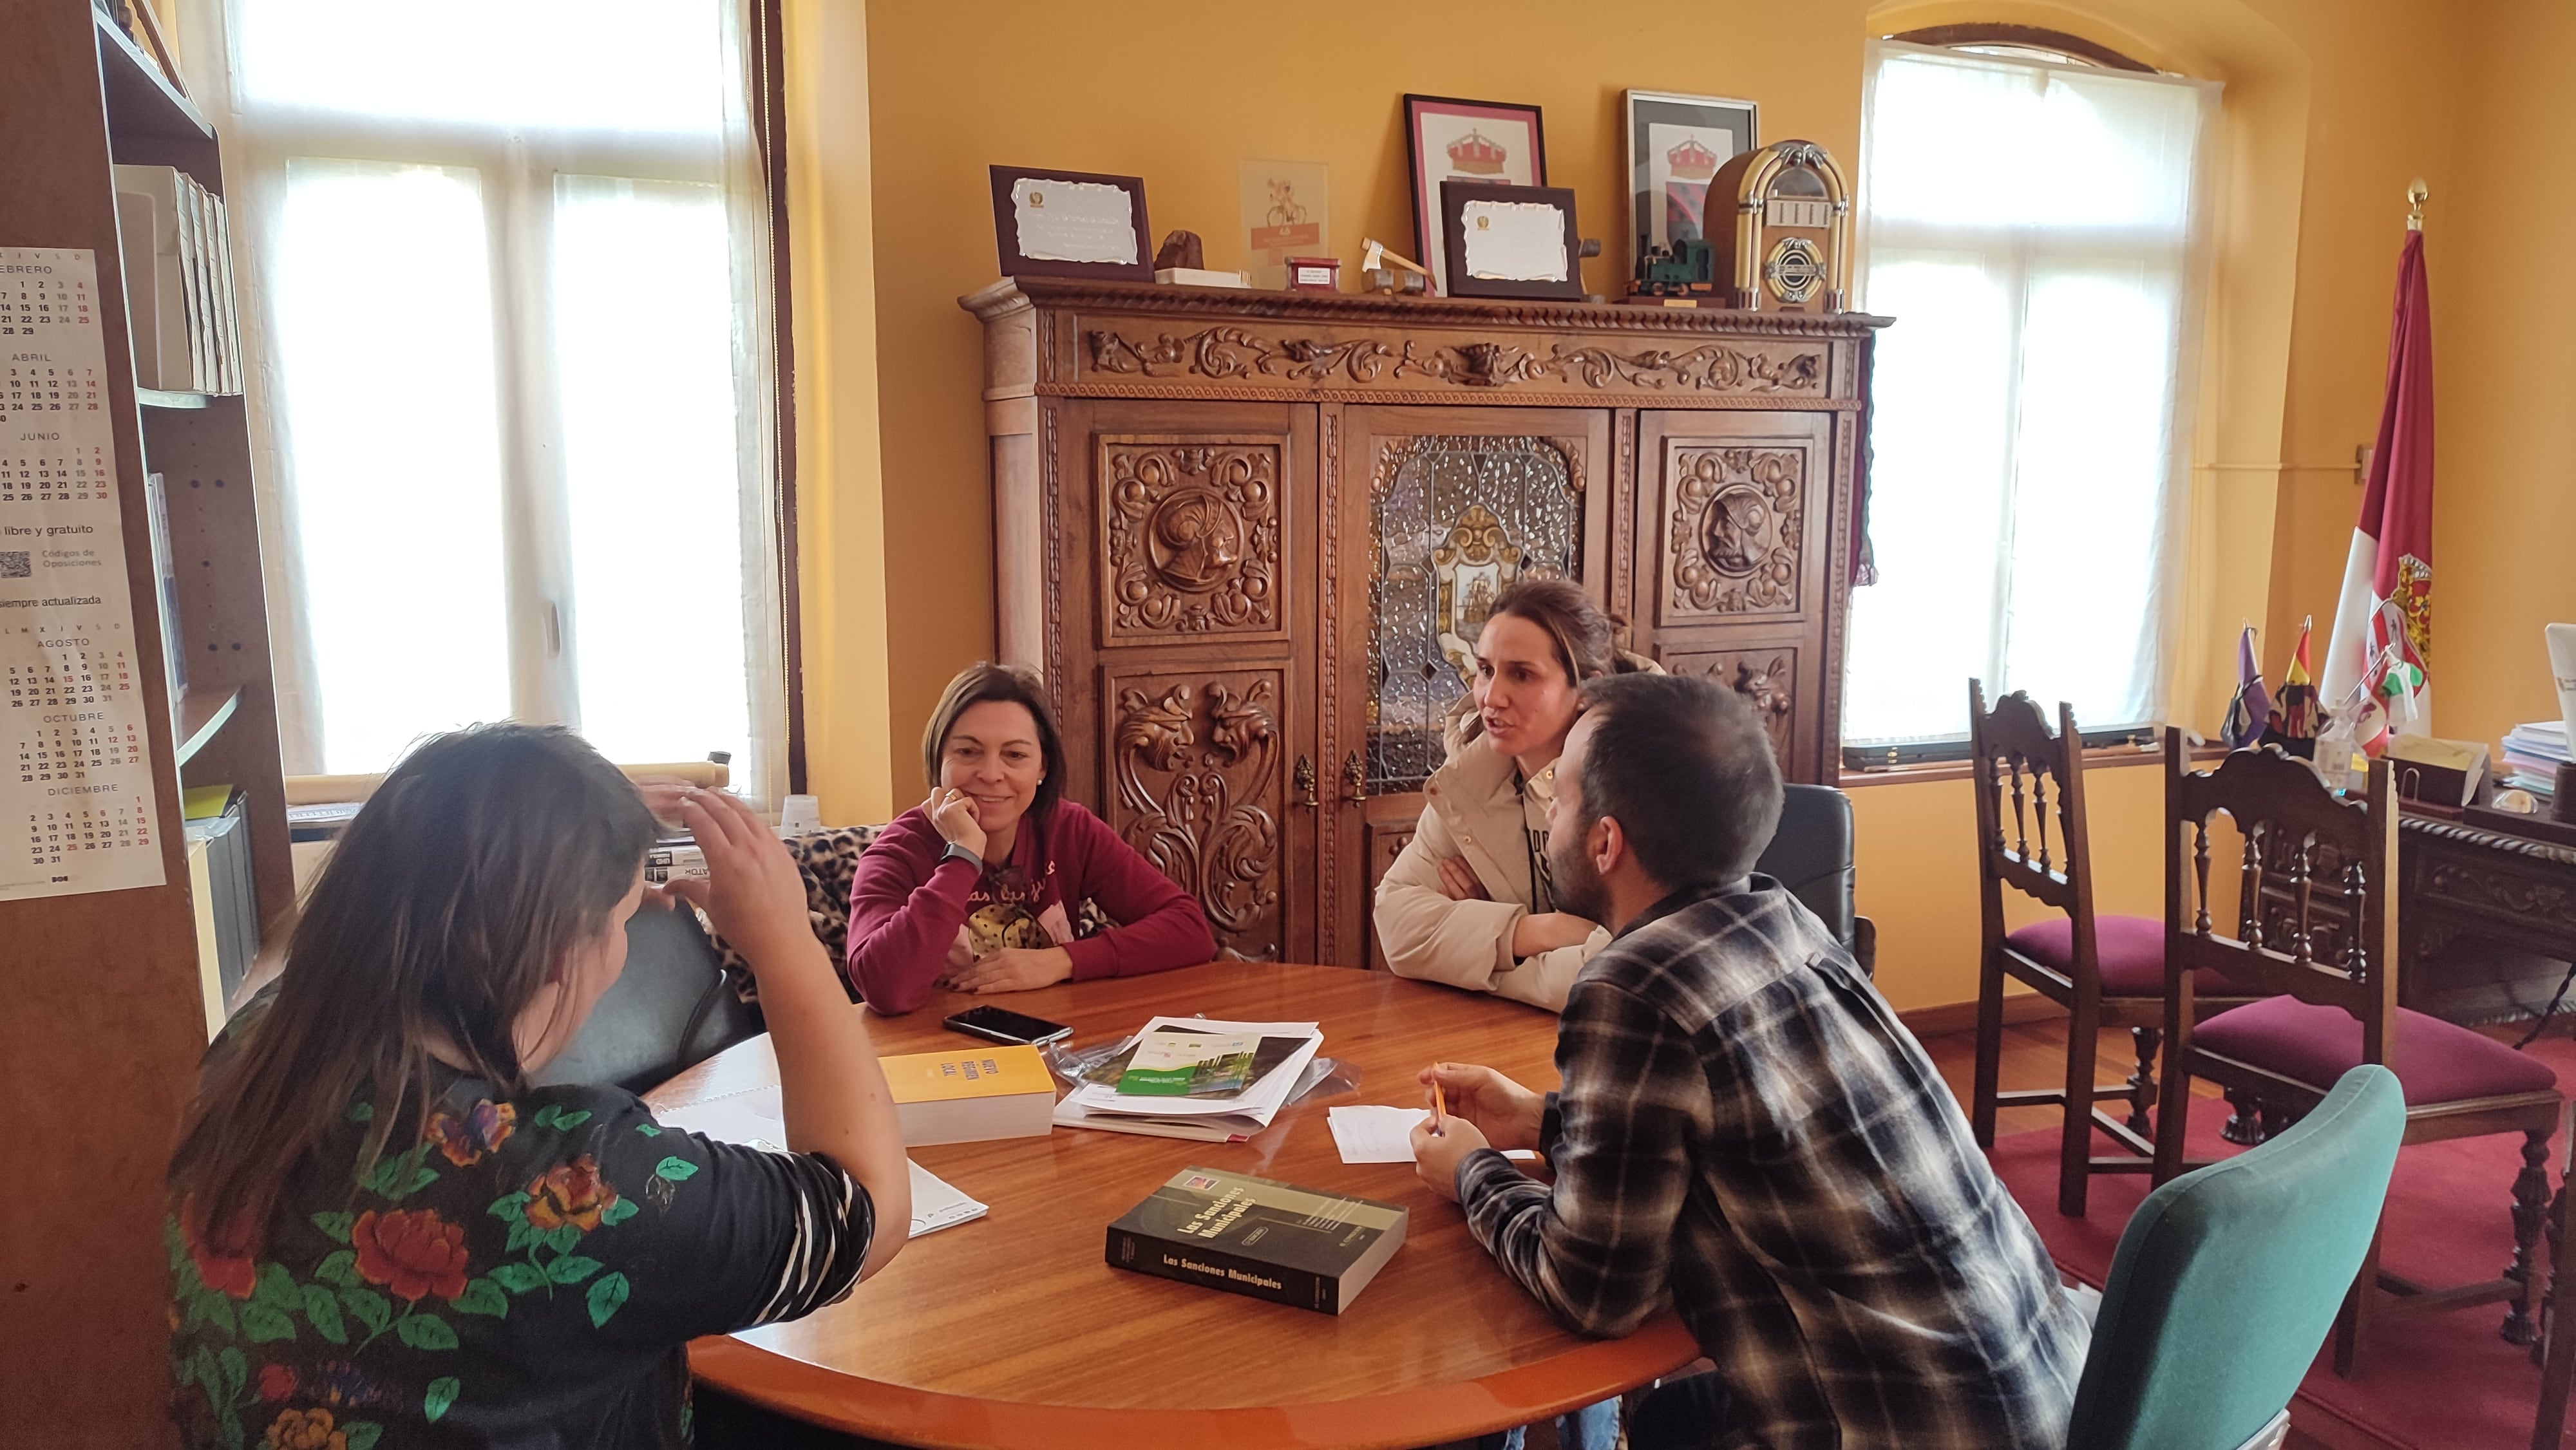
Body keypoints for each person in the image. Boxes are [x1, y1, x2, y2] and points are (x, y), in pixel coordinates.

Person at [165, 725, 910, 1450]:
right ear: (560, 951)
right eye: (622, 917)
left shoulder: (257, 1048)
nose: (625, 940)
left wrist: (570, 819)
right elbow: (866, 1206)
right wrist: (784, 940)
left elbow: (428, 865)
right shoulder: (577, 1185)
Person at [1411, 674, 2088, 1450]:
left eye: (1558, 797)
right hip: (2033, 1398)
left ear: (1605, 841)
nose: (1550, 816)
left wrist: (1471, 1172)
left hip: (1888, 1428)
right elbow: (1758, 1129)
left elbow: (1594, 1291)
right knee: (1670, 1419)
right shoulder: (1783, 917)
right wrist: (1543, 1118)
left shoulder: (1635, 985)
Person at [845, 662, 1215, 1013]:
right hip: (936, 1061)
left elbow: (1189, 929)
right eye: (967, 751)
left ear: (1042, 768)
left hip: (1057, 1041)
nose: (991, 774)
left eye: (1015, 755)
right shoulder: (896, 853)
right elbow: (884, 991)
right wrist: (962, 856)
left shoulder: (1068, 829)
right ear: (939, 760)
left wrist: (1062, 961)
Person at [1374, 579, 1651, 1013]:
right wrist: (1532, 932)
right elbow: (1398, 930)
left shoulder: (1649, 783)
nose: (1491, 697)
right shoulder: (1471, 778)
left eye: (1522, 674)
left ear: (1588, 689)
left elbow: (1622, 974)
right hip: (1514, 1045)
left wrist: (1478, 952)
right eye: (1485, 670)